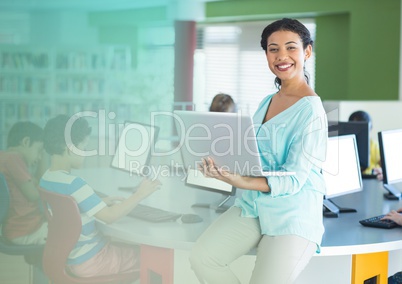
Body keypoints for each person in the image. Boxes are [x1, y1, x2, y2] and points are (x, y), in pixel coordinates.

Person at [189, 18, 328, 284]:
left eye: (291, 48)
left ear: (307, 51)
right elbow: (251, 154)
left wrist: (238, 180)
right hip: (254, 205)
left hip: (292, 214)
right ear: (266, 54)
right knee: (203, 257)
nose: (282, 56)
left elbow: (295, 178)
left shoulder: (311, 110)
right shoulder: (267, 101)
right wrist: (221, 165)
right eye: (273, 49)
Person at [39, 114, 161, 279]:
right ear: (69, 149)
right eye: (83, 147)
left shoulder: (47, 179)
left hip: (72, 258)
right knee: (151, 259)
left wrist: (100, 202)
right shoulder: (75, 184)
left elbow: (69, 209)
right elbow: (110, 216)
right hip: (94, 260)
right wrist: (140, 194)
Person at [0, 121, 47, 245]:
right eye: (39, 150)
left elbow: (35, 182)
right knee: (73, 232)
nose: (39, 157)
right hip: (28, 230)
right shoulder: (13, 158)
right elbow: (34, 195)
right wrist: (46, 155)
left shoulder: (4, 158)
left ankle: (41, 263)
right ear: (26, 142)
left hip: (17, 229)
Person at [348, 110, 382, 179]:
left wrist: (381, 170)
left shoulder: (374, 145)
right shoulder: (347, 146)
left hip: (370, 178)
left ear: (370, 128)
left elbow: (382, 165)